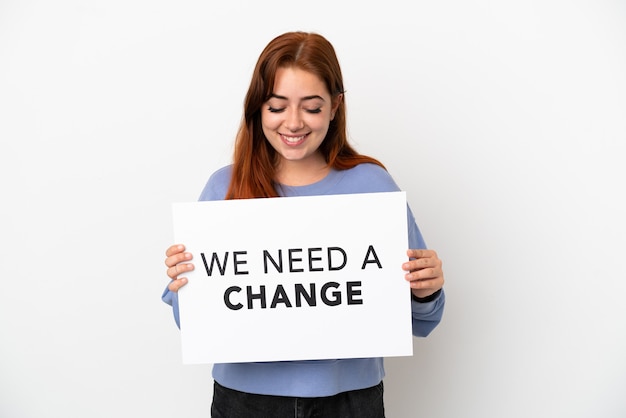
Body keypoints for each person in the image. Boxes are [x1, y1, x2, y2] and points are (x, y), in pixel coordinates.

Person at [162, 31, 445, 418]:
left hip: (349, 401)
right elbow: (195, 324)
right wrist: (184, 286)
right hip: (245, 401)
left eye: (311, 107)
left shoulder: (372, 186)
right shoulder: (224, 187)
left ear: (335, 107)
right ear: (257, 107)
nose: (293, 123)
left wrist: (426, 290)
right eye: (277, 106)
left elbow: (420, 320)